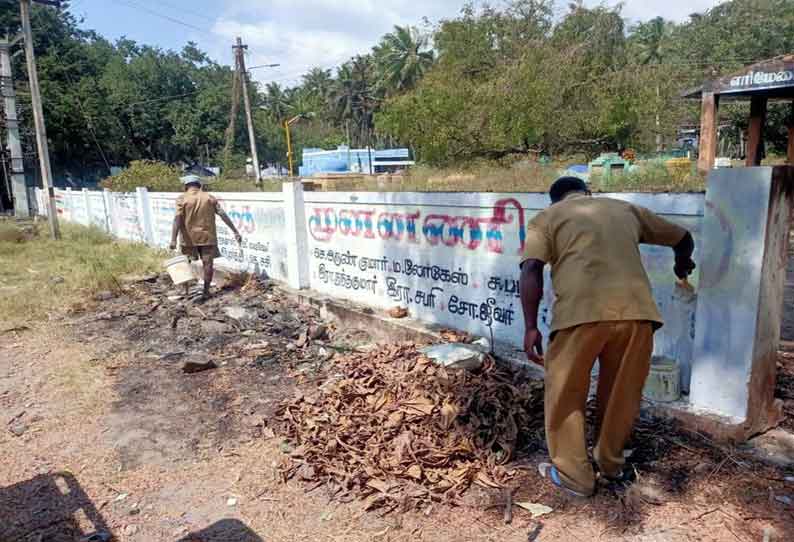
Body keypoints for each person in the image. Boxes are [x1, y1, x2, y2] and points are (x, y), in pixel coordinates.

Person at [518, 176, 696, 497]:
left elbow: (531, 269)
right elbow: (683, 238)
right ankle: (611, 466)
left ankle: (576, 478)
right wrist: (682, 266)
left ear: (555, 200)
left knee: (565, 394)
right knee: (621, 394)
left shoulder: (547, 218)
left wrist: (530, 326)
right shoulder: (625, 209)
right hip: (637, 316)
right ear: (588, 193)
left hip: (579, 316)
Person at [169, 175, 243, 299]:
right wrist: (235, 231)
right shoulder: (209, 198)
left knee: (185, 263)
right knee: (208, 264)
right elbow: (222, 214)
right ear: (200, 185)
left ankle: (185, 290)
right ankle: (206, 291)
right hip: (207, 236)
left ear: (186, 186)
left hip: (188, 238)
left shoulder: (182, 199)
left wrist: (173, 239)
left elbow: (177, 219)